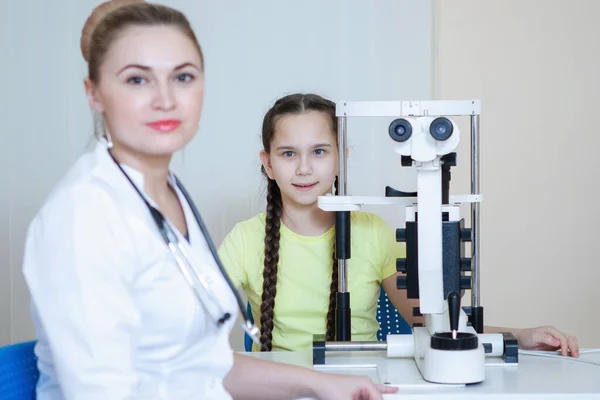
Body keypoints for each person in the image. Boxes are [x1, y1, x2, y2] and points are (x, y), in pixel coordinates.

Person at [21, 1, 399, 399]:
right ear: (94, 93)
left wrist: (322, 383)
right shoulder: (84, 217)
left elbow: (200, 365)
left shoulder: (168, 196)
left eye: (183, 77)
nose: (165, 99)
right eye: (137, 80)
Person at [217, 93, 580, 358]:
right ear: (267, 163)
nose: (304, 169)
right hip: (284, 386)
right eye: (288, 154)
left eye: (319, 151)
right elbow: (193, 320)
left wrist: (520, 335)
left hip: (366, 382)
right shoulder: (245, 240)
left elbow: (432, 320)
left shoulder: (371, 232)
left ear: (341, 158)